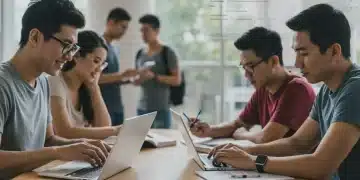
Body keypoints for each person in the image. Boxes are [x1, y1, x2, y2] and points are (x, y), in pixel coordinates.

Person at [208, 4, 360, 180]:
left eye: (304, 53)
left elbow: (321, 165)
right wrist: (244, 150)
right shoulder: (327, 89)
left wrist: (253, 161)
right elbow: (298, 143)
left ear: (334, 51)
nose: (297, 64)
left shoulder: (355, 89)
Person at [0, 1, 109, 178]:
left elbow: (48, 140)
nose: (70, 56)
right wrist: (59, 152)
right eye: (66, 44)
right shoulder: (3, 84)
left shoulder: (43, 82)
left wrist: (84, 144)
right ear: (35, 37)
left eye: (73, 48)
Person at [189, 27, 315, 144]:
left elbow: (266, 138)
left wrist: (241, 135)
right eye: (243, 68)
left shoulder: (297, 89)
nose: (246, 75)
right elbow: (237, 125)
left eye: (250, 67)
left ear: (273, 62)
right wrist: (209, 130)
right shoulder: (263, 89)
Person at [48, 30, 122, 140]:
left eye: (102, 65)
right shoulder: (55, 81)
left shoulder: (86, 88)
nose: (98, 70)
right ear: (77, 55)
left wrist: (94, 87)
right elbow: (63, 132)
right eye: (96, 61)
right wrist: (116, 130)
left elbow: (104, 127)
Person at [134, 14, 181, 129]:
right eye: (141, 31)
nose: (143, 34)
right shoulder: (140, 53)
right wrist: (139, 79)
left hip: (161, 108)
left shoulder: (167, 52)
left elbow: (177, 80)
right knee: (143, 144)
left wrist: (154, 76)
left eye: (146, 30)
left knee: (162, 144)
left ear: (157, 31)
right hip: (142, 108)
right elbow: (136, 80)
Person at [99, 7, 138, 126]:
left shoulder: (114, 48)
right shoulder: (98, 46)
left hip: (117, 107)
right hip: (104, 107)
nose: (124, 31)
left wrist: (128, 80)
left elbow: (112, 78)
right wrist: (122, 75)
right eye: (123, 27)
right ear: (111, 23)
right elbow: (96, 78)